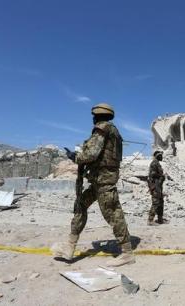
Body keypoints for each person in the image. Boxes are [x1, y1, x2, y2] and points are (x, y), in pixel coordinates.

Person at [51, 103, 135, 266]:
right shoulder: (114, 132)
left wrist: (75, 157)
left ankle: (127, 253)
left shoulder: (102, 129)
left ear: (97, 116)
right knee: (80, 206)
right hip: (98, 180)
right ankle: (70, 246)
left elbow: (91, 154)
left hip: (104, 180)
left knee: (112, 213)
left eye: (94, 116)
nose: (93, 119)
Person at [147, 150, 166, 225]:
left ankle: (160, 219)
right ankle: (150, 220)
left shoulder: (157, 163)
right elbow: (152, 174)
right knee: (155, 202)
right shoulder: (154, 163)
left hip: (159, 186)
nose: (162, 157)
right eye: (160, 155)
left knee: (160, 202)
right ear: (157, 156)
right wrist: (161, 176)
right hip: (155, 186)